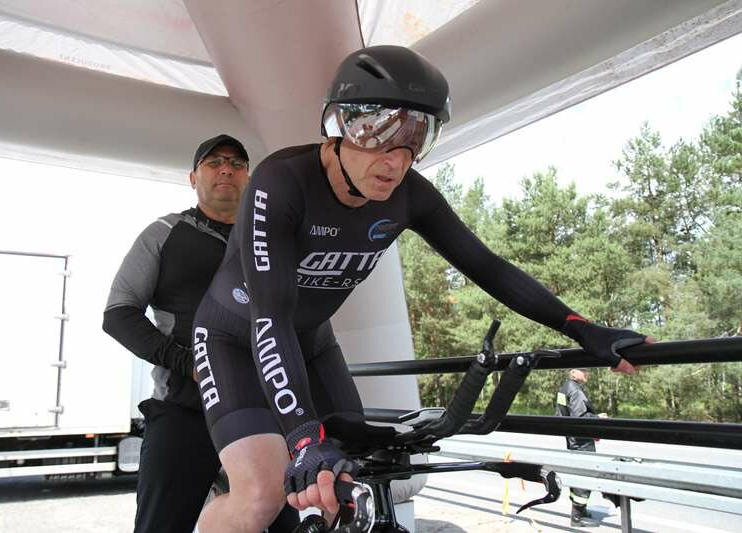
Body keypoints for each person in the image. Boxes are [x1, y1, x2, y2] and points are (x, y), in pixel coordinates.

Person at [192, 45, 653, 533]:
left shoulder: (410, 195)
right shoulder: (280, 183)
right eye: (380, 135)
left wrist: (582, 328)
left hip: (309, 341)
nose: (396, 160)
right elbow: (270, 317)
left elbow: (488, 267)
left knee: (348, 479)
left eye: (417, 139)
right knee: (262, 494)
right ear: (339, 126)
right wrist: (304, 437)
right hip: (234, 338)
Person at [102, 135, 297, 533]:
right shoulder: (163, 233)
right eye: (214, 162)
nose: (226, 169)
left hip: (264, 414)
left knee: (286, 525)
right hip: (184, 410)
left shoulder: (271, 239)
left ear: (248, 178)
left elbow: (301, 319)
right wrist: (190, 363)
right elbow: (118, 314)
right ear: (193, 178)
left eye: (237, 163)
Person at [556, 368, 605, 527]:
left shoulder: (565, 387)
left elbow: (561, 415)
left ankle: (579, 511)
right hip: (581, 440)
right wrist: (598, 418)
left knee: (578, 474)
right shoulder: (575, 390)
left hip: (572, 438)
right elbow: (581, 418)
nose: (587, 373)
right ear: (573, 372)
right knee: (585, 475)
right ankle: (577, 516)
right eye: (583, 370)